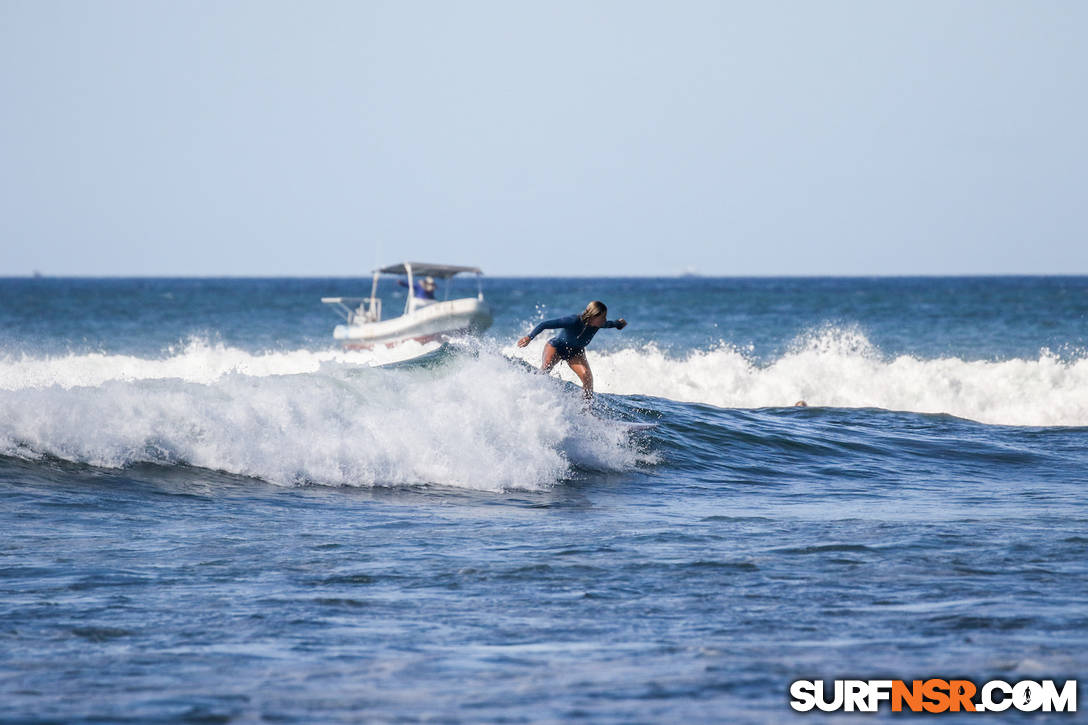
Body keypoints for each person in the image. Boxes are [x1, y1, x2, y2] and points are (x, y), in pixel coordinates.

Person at [517, 300, 627, 400]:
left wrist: (619, 324)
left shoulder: (599, 324)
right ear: (593, 316)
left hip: (575, 352)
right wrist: (529, 337)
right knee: (546, 368)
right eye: (602, 317)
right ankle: (530, 393)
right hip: (557, 347)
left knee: (587, 378)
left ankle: (587, 410)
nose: (605, 319)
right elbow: (545, 324)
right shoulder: (573, 320)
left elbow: (611, 324)